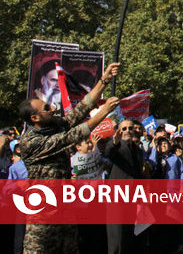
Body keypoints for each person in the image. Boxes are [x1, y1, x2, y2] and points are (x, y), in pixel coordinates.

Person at [18, 62, 120, 254]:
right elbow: (71, 136)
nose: (52, 109)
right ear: (35, 118)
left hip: (65, 212)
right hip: (43, 220)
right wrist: (104, 112)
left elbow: (81, 109)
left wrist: (104, 80)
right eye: (46, 108)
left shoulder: (55, 124)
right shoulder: (30, 142)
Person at [106, 119, 146, 254]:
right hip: (117, 198)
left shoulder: (137, 149)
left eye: (130, 128)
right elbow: (108, 153)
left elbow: (138, 173)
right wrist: (114, 142)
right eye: (124, 129)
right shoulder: (117, 146)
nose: (128, 131)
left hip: (133, 197)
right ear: (119, 131)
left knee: (128, 235)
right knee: (116, 237)